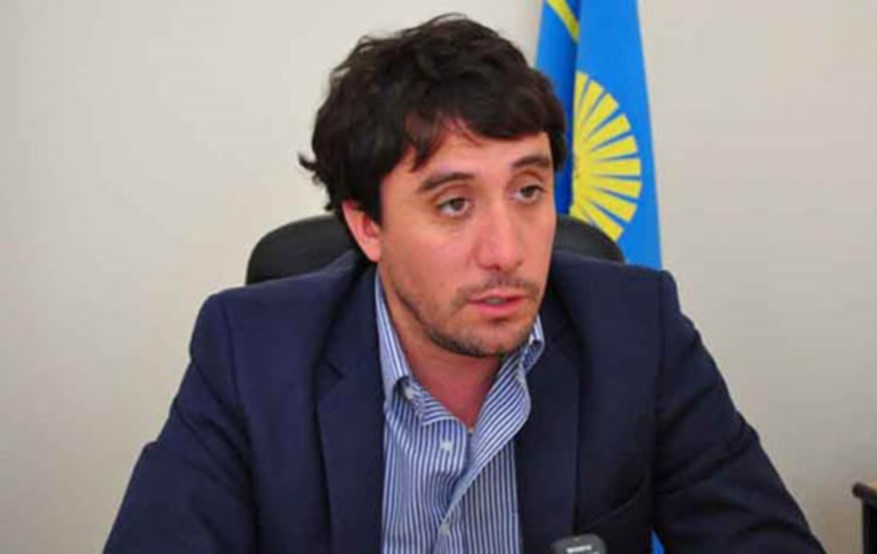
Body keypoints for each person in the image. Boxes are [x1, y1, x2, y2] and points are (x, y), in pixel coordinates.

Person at [106, 15, 823, 554]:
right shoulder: (252, 353)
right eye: (454, 204)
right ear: (368, 226)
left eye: (529, 191)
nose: (507, 251)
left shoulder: (637, 332)